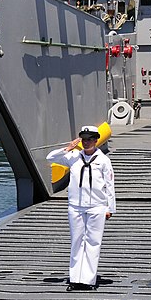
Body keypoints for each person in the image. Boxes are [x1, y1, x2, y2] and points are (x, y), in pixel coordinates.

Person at [46, 125, 116, 291]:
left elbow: (109, 185)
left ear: (96, 140)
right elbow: (50, 158)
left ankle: (88, 280)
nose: (86, 142)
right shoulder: (73, 157)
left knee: (93, 242)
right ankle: (75, 278)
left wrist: (109, 208)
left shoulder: (103, 160)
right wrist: (67, 148)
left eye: (90, 139)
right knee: (77, 242)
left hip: (96, 206)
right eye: (84, 139)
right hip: (76, 206)